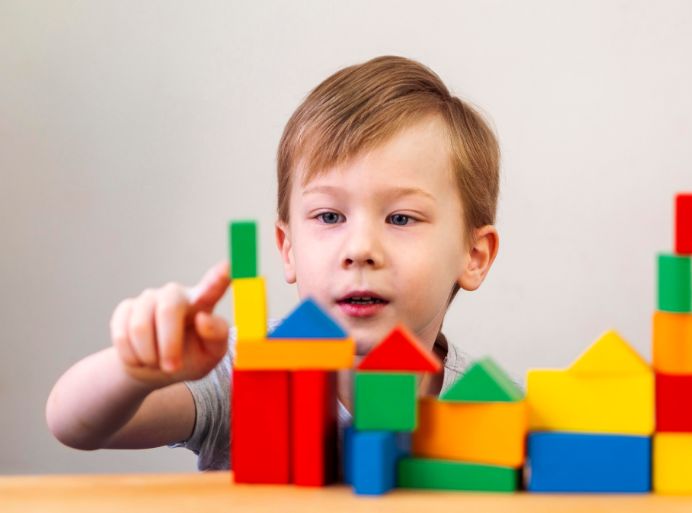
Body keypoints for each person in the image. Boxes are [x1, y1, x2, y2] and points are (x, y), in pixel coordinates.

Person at [46, 55, 501, 470]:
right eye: (329, 216)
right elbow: (74, 424)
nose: (359, 248)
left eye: (401, 217)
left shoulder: (481, 410)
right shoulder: (244, 373)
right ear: (288, 249)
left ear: (474, 257)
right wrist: (136, 370)